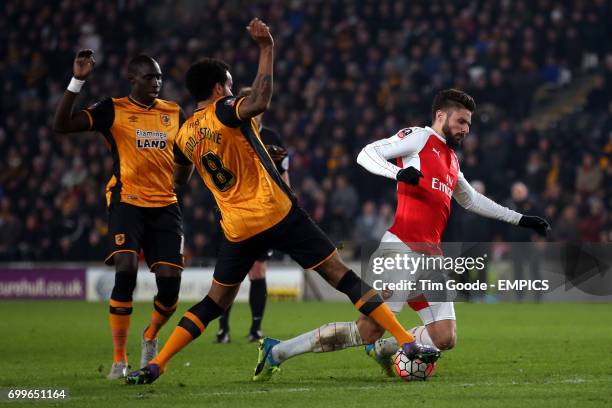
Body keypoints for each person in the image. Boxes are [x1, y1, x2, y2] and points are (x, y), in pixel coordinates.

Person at [126, 18, 437, 385]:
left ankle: (157, 363)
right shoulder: (225, 109)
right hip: (276, 212)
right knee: (342, 275)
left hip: (237, 228)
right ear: (217, 87)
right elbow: (260, 99)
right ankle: (404, 340)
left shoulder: (184, 134)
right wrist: (266, 47)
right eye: (227, 83)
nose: (230, 88)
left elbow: (180, 180)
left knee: (213, 303)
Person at [255, 89, 550, 378]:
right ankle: (278, 351)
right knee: (367, 328)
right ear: (440, 115)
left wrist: (521, 219)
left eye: (469, 124)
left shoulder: (452, 159)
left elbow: (471, 199)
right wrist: (396, 173)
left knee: (445, 337)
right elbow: (367, 154)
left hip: (431, 257)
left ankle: (384, 349)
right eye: (461, 121)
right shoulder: (420, 138)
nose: (466, 129)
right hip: (401, 250)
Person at [53, 50, 194, 379]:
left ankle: (150, 336)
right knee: (126, 269)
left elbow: (186, 157)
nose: (157, 82)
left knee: (171, 285)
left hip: (165, 205)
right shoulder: (112, 109)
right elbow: (61, 125)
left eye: (160, 77)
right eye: (150, 77)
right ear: (132, 79)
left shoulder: (174, 112)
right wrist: (78, 80)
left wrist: (181, 173)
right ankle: (119, 359)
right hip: (126, 200)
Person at [216, 86, 291, 344]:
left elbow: (284, 176)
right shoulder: (230, 133)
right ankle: (223, 329)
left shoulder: (272, 138)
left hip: (266, 213)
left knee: (258, 271)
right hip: (235, 210)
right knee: (232, 273)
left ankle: (255, 329)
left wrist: (289, 201)